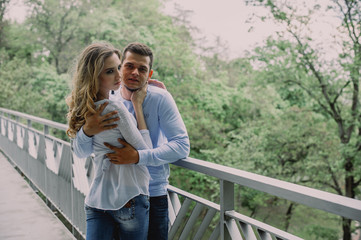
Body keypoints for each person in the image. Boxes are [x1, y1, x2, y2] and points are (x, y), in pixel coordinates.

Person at [73, 42, 190, 240]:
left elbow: (182, 146)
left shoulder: (161, 98)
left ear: (149, 74)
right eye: (128, 66)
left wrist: (138, 157)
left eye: (142, 69)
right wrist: (86, 131)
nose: (134, 72)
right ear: (121, 67)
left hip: (152, 194)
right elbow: (80, 151)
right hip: (108, 197)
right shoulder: (109, 98)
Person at [66, 42, 153, 240]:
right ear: (95, 76)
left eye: (118, 68)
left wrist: (87, 130)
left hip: (97, 200)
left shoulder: (88, 109)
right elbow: (145, 152)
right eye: (110, 71)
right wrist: (137, 106)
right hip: (129, 198)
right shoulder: (115, 110)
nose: (119, 76)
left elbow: (80, 153)